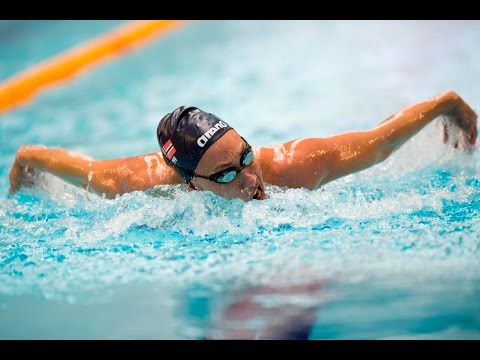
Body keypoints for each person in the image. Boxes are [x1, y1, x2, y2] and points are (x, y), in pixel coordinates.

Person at [8, 90, 478, 201]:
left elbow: (378, 145)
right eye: (229, 175)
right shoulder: (134, 184)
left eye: (245, 155)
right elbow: (49, 160)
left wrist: (444, 105)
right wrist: (25, 163)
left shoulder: (293, 167)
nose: (253, 180)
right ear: (190, 184)